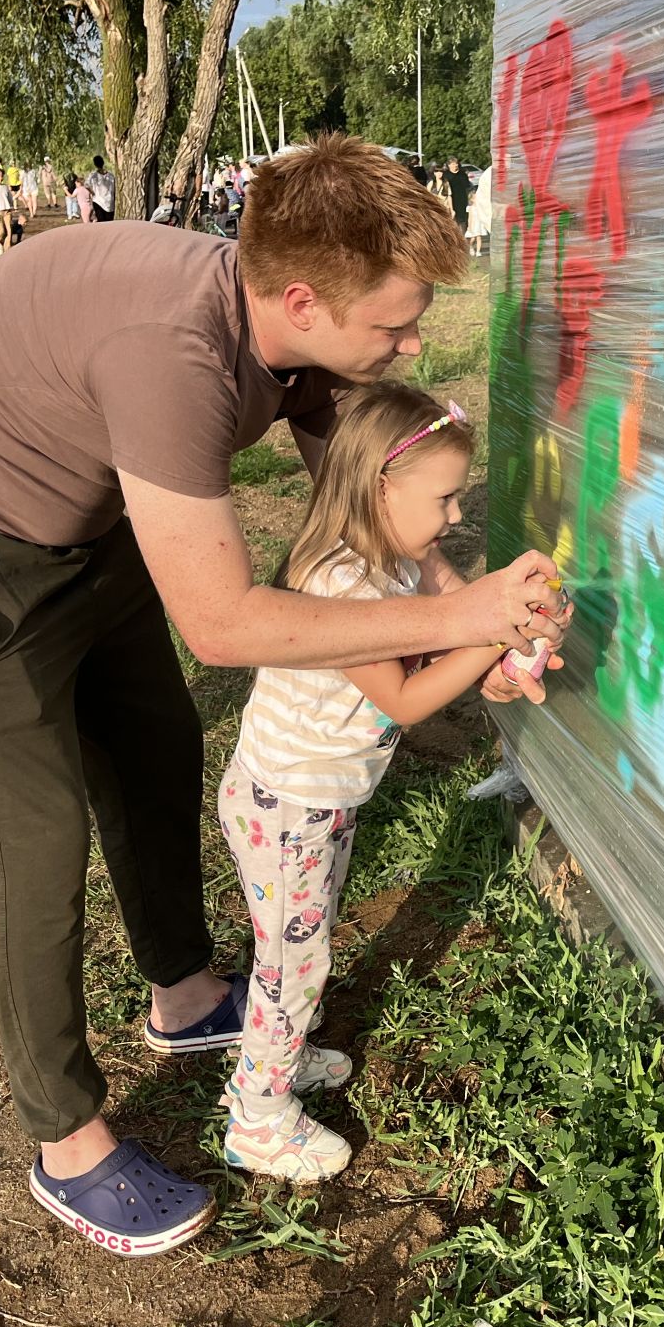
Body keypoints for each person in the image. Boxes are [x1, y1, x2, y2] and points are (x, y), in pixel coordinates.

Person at [0, 134, 565, 1256]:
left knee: (154, 741)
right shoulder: (174, 353)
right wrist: (459, 625)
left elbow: (375, 507)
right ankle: (66, 1141)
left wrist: (484, 612)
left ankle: (184, 998)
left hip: (81, 519)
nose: (414, 344)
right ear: (301, 298)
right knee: (32, 836)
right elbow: (222, 625)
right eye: (394, 325)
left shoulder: (292, 339)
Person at [218, 382, 510, 1179]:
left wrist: (498, 632)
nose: (456, 518)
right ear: (382, 486)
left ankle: (283, 1055)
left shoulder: (389, 556)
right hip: (290, 806)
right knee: (293, 963)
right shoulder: (344, 584)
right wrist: (492, 638)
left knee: (295, 951)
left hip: (317, 798)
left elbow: (448, 603)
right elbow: (407, 698)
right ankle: (259, 1116)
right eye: (445, 499)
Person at [466, 164, 492, 258]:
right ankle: (470, 246)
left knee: (479, 238)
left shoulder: (481, 206)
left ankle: (478, 251)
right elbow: (470, 217)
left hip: (480, 224)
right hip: (474, 225)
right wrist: (470, 226)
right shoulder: (471, 208)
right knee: (473, 238)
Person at [443, 156, 472, 233]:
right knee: (453, 219)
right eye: (452, 164)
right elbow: (445, 189)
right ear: (449, 165)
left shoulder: (462, 174)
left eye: (456, 164)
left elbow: (468, 187)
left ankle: (463, 235)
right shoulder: (446, 175)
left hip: (462, 199)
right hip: (451, 199)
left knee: (463, 220)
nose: (455, 165)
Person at [86, 154, 115, 222]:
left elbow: (86, 185)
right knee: (109, 221)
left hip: (98, 200)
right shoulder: (111, 176)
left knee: (101, 221)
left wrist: (92, 192)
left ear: (95, 164)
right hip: (109, 201)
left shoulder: (93, 175)